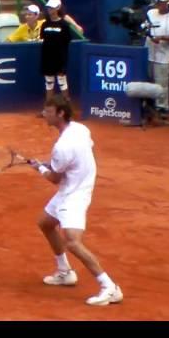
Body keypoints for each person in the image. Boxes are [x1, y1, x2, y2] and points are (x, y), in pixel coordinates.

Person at [30, 94, 123, 306]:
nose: (45, 114)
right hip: (73, 186)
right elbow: (79, 156)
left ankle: (110, 287)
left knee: (72, 241)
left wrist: (41, 168)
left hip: (75, 193)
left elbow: (54, 178)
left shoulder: (61, 147)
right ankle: (65, 272)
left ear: (60, 113)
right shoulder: (81, 129)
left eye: (49, 111)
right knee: (45, 223)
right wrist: (51, 165)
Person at [39, 0, 83, 104]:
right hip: (47, 57)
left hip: (59, 57)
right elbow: (42, 38)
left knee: (62, 81)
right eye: (49, 8)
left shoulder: (64, 25)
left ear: (58, 8)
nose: (50, 10)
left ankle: (67, 106)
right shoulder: (45, 24)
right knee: (49, 82)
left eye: (52, 8)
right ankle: (48, 108)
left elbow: (66, 41)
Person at [145, 0, 169, 112]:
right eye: (158, 3)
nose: (159, 6)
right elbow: (144, 27)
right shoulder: (150, 13)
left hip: (163, 57)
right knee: (148, 81)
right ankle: (148, 107)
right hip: (148, 54)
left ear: (167, 4)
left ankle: (161, 109)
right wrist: (149, 36)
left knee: (161, 85)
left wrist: (160, 38)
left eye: (161, 3)